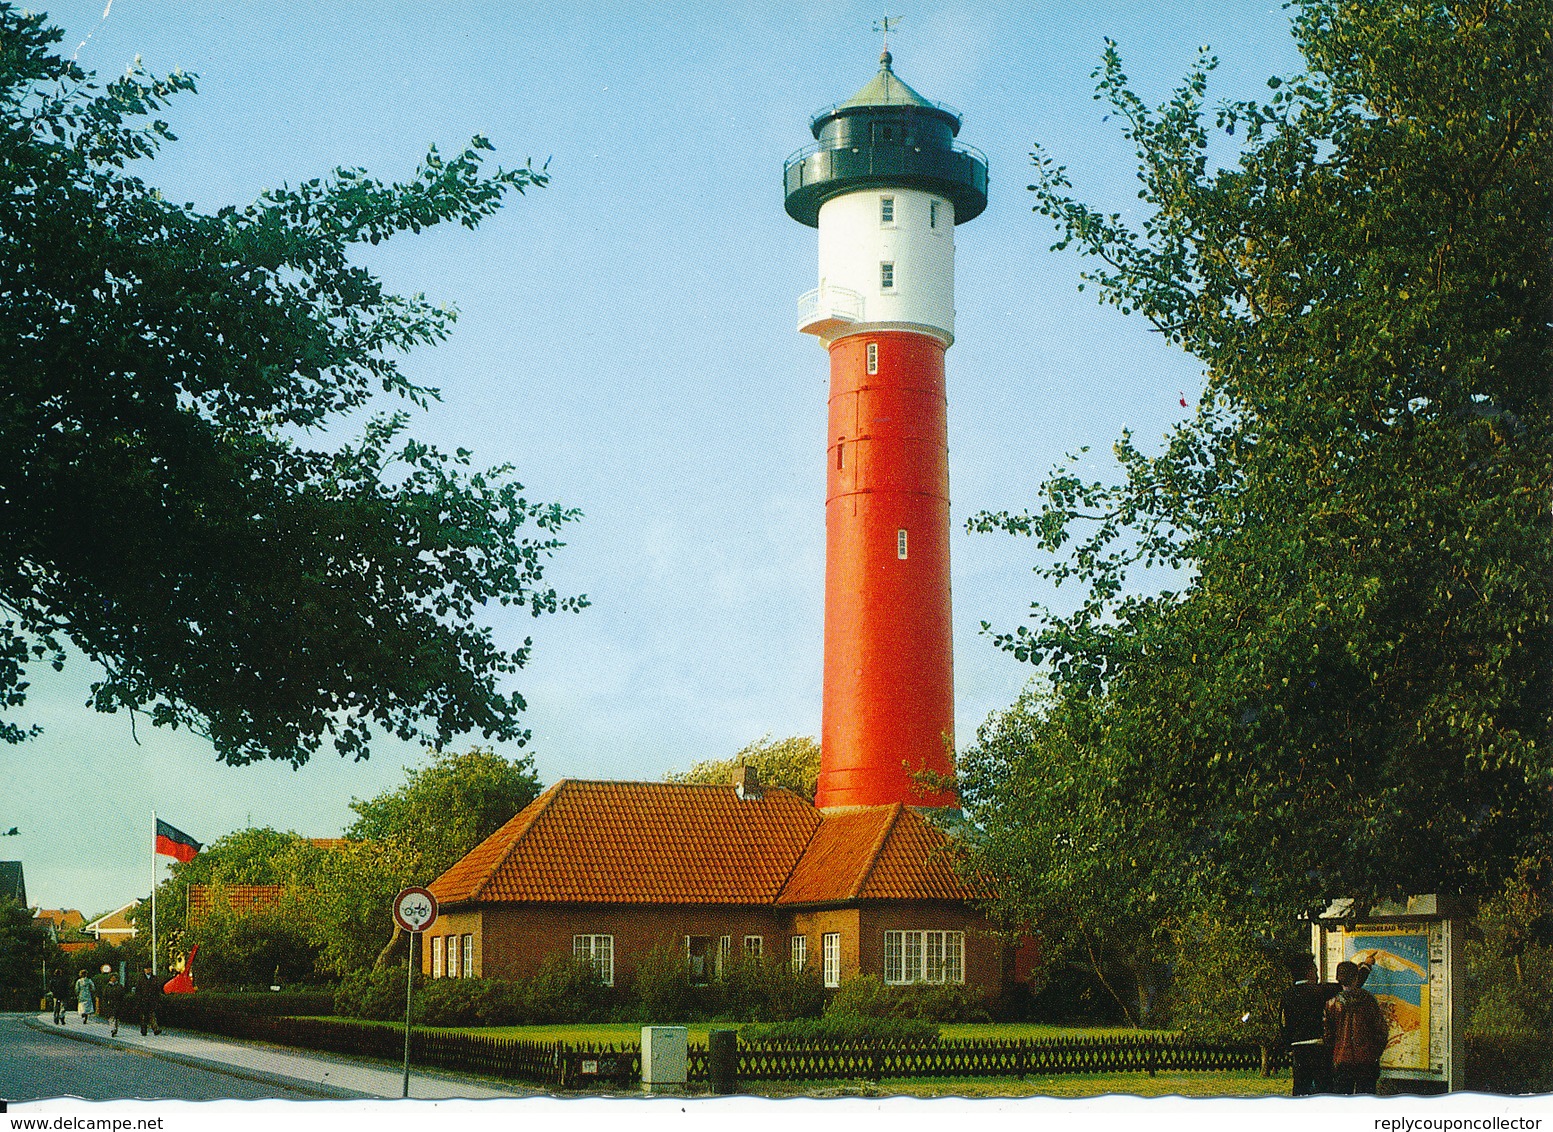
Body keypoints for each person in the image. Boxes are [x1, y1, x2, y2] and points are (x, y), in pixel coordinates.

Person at [1276, 954, 1341, 1096]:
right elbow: (1346, 985)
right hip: (1317, 1048)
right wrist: (1366, 965)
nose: (1317, 975)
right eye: (1315, 971)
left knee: (1300, 1087)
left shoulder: (1287, 995)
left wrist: (1288, 1046)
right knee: (1324, 1088)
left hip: (1298, 1049)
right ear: (1309, 972)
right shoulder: (1318, 991)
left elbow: (1283, 1023)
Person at [1325, 959, 1389, 1095]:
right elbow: (1381, 1031)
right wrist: (1374, 1053)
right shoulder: (1368, 1001)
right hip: (1367, 1061)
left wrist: (1335, 1053)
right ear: (1356, 978)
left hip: (1342, 1060)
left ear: (1338, 979)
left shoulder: (1331, 1003)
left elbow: (1328, 1035)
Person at [132, 965, 164, 1035]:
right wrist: (138, 999)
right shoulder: (140, 979)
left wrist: (157, 998)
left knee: (152, 1015)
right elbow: (138, 990)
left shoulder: (154, 978)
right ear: (144, 970)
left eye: (150, 969)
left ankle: (155, 1029)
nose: (149, 970)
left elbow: (157, 989)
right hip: (143, 1000)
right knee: (143, 1016)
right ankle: (144, 1030)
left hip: (152, 1000)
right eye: (147, 969)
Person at [100, 971, 126, 1037]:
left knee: (116, 1017)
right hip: (110, 1003)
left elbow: (122, 994)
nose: (113, 979)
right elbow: (104, 995)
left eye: (115, 978)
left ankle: (115, 1028)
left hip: (117, 1003)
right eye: (112, 978)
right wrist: (105, 1003)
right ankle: (113, 1028)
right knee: (111, 1017)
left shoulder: (119, 986)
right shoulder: (107, 986)